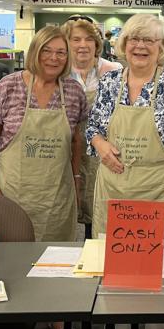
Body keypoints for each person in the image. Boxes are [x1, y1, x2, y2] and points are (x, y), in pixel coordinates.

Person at [86, 13, 164, 238]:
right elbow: (93, 126)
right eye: (134, 39)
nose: (140, 46)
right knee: (111, 254)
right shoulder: (109, 82)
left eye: (149, 40)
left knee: (155, 257)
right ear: (124, 44)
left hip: (158, 191)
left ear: (161, 47)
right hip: (113, 189)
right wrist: (99, 143)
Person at [0, 26, 87, 242]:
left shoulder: (74, 91)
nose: (53, 58)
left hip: (56, 200)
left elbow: (77, 141)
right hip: (12, 196)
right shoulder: (8, 87)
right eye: (46, 50)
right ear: (35, 51)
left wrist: (76, 179)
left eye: (61, 52)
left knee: (55, 257)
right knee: (12, 255)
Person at [62, 18, 121, 239]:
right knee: (69, 198)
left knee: (98, 199)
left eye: (88, 39)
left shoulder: (114, 71)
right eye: (75, 39)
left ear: (97, 44)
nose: (82, 45)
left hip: (103, 146)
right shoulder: (60, 72)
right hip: (68, 145)